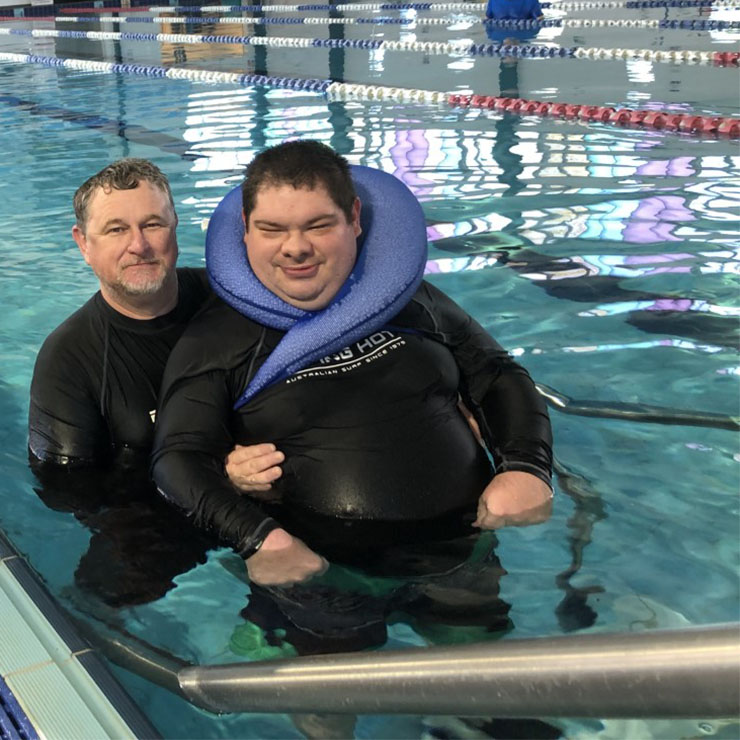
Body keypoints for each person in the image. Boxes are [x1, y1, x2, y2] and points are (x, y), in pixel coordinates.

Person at [152, 140, 554, 590]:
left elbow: (498, 373)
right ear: (244, 228)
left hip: (463, 547)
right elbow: (177, 459)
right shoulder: (215, 340)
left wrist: (526, 467)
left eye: (318, 225)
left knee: (479, 657)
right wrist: (258, 540)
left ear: (355, 219)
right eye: (272, 229)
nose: (295, 248)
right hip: (317, 572)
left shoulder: (405, 300)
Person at [27, 158, 278, 606]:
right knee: (110, 592)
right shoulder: (69, 360)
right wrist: (213, 479)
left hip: (275, 485)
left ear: (175, 227)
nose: (139, 245)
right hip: (163, 515)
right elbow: (72, 494)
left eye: (152, 223)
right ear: (84, 244)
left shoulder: (233, 300)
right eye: (116, 230)